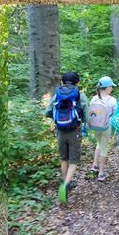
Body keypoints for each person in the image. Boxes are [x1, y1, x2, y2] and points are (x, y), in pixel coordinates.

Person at [45, 72, 88, 203]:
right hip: (74, 130)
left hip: (60, 130)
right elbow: (86, 112)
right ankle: (65, 185)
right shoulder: (80, 94)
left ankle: (66, 182)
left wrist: (58, 120)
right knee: (73, 160)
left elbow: (47, 112)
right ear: (77, 82)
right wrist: (84, 123)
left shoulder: (57, 94)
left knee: (64, 158)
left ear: (63, 81)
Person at [88, 76, 117, 182]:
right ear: (108, 88)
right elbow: (116, 114)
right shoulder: (112, 100)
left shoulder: (94, 98)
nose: (112, 89)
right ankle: (101, 172)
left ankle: (94, 165)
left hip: (95, 126)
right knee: (104, 147)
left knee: (99, 144)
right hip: (106, 126)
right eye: (111, 87)